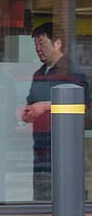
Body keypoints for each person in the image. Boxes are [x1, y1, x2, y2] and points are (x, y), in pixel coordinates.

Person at [21, 22, 88, 201]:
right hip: (40, 150)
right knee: (41, 203)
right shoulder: (38, 74)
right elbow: (32, 102)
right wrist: (27, 113)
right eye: (35, 45)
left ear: (57, 43)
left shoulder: (73, 71)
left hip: (65, 151)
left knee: (66, 202)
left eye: (42, 43)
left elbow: (83, 104)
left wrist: (45, 105)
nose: (38, 49)